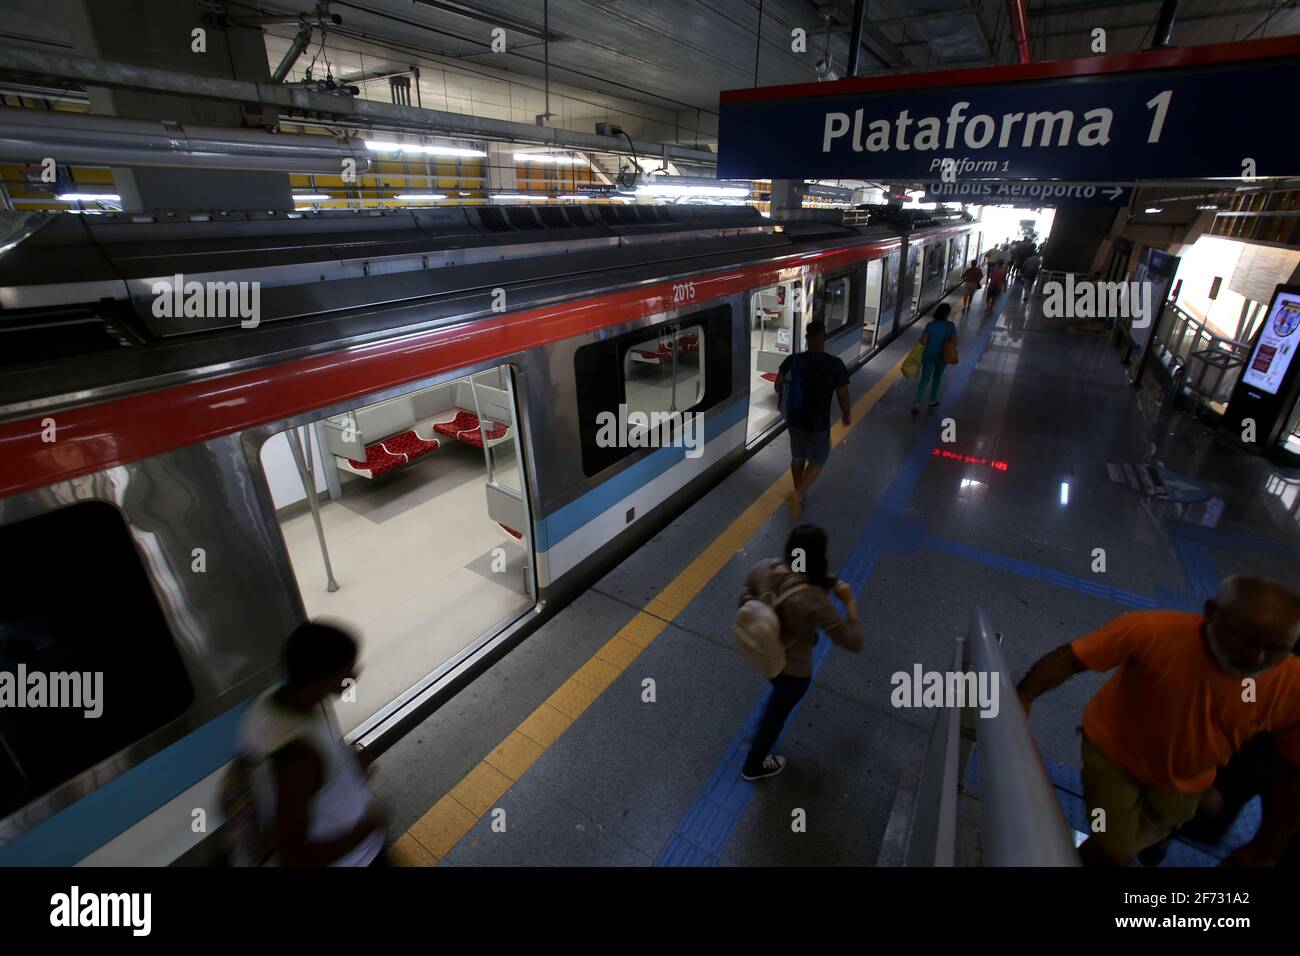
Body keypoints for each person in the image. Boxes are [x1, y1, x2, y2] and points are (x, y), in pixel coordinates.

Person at [1016, 576, 1300, 867]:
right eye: (1245, 639)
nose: (1258, 657)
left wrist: (1267, 849)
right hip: (1113, 755)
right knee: (1112, 848)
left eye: (1276, 649)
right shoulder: (1151, 630)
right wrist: (1023, 696)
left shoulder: (1292, 683)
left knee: (1149, 830)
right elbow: (1072, 658)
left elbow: (1293, 769)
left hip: (1188, 781)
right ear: (1211, 612)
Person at [238, 621, 390, 866]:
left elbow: (323, 752)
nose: (355, 675)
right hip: (354, 859)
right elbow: (296, 856)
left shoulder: (274, 701)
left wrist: (348, 759)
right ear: (322, 678)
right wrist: (369, 827)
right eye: (347, 670)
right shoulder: (297, 758)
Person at [738, 524, 863, 780]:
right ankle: (753, 766)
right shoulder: (813, 598)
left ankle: (761, 734)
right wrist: (849, 602)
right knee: (777, 713)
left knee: (776, 699)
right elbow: (853, 641)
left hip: (767, 652)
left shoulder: (765, 567)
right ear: (820, 556)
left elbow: (745, 594)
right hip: (793, 670)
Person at [775, 320, 850, 518]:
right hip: (818, 424)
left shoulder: (792, 360)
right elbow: (843, 395)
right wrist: (847, 413)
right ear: (824, 338)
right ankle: (798, 493)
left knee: (797, 456)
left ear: (807, 338)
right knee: (819, 458)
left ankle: (798, 490)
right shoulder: (834, 364)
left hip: (795, 420)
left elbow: (778, 385)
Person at [911, 302, 957, 414]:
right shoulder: (951, 326)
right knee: (937, 378)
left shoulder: (930, 324)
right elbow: (955, 342)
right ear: (947, 314)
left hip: (928, 355)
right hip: (943, 356)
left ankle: (917, 403)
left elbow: (923, 341)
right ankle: (932, 400)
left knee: (924, 379)